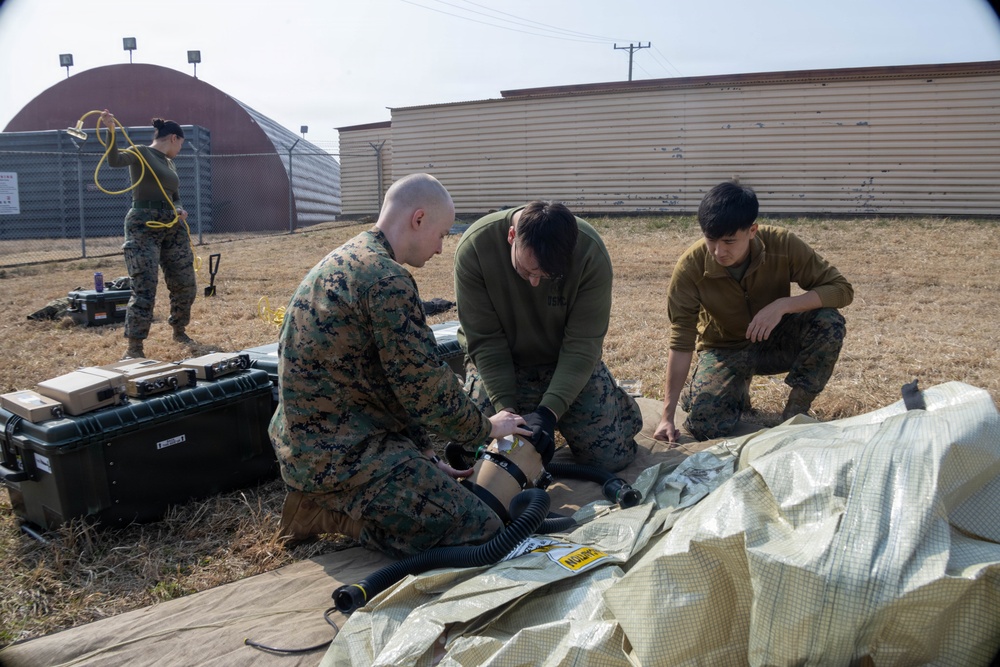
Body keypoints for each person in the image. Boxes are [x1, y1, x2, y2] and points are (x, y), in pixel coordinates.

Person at [268, 173, 530, 558]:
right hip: (342, 459)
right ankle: (327, 512)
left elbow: (388, 381)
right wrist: (487, 427)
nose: (441, 249)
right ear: (418, 218)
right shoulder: (386, 279)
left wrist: (424, 454)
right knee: (482, 528)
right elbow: (425, 388)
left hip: (317, 443)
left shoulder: (346, 259)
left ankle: (327, 495)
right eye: (441, 235)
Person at [654, 181, 854, 443]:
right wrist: (667, 415)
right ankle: (707, 390)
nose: (719, 251)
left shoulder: (781, 244)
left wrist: (782, 305)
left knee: (829, 322)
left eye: (729, 241)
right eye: (711, 240)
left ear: (752, 231)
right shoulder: (690, 267)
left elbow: (841, 290)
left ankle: (795, 412)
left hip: (774, 340)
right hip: (725, 349)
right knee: (707, 427)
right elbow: (681, 341)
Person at [454, 201, 643, 473]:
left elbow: (582, 346)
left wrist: (547, 413)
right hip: (501, 362)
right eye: (527, 271)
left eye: (546, 276)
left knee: (611, 459)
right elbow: (486, 343)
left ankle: (621, 410)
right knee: (477, 458)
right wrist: (507, 415)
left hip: (562, 362)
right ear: (511, 237)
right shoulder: (475, 248)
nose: (534, 283)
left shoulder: (590, 252)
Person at [100, 110, 198, 360]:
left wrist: (179, 209)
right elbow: (114, 160)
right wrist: (111, 130)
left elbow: (174, 195)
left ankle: (179, 329)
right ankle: (135, 347)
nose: (180, 149)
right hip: (144, 224)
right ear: (174, 138)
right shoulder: (141, 152)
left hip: (172, 225)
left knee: (185, 282)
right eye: (182, 144)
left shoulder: (169, 162)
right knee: (144, 286)